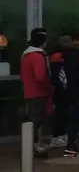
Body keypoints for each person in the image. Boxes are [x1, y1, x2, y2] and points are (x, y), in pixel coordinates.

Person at [21, 28, 52, 157]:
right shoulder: (38, 56)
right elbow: (40, 76)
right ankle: (30, 146)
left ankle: (30, 145)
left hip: (30, 91)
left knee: (32, 120)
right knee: (36, 120)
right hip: (38, 92)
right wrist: (49, 88)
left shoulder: (26, 55)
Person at [49, 36, 72, 148]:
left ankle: (61, 135)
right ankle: (58, 136)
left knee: (64, 114)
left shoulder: (60, 56)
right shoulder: (57, 57)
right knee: (61, 114)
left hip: (63, 88)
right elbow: (56, 76)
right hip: (60, 90)